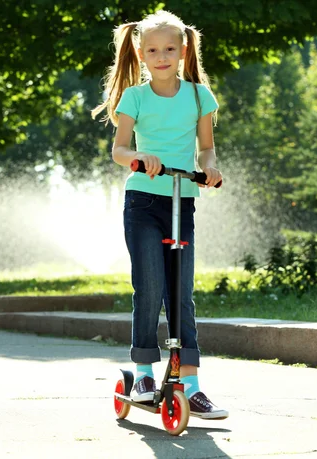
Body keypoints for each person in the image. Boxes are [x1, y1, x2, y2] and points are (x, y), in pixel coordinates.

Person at [92, 10, 228, 420]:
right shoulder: (134, 97)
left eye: (170, 49)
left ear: (184, 50)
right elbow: (118, 150)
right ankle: (145, 373)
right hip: (144, 203)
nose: (162, 56)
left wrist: (210, 167)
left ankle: (191, 385)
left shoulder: (200, 95)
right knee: (150, 287)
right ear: (141, 52)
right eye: (153, 50)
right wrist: (139, 156)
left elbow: (205, 149)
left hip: (181, 200)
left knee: (181, 294)